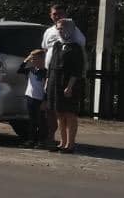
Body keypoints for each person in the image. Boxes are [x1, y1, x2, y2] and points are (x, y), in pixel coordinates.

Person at [47, 18, 86, 153]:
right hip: (55, 82)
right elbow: (51, 64)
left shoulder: (76, 48)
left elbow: (77, 69)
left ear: (70, 29)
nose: (60, 31)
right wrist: (48, 81)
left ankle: (70, 144)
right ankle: (62, 143)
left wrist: (70, 86)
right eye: (58, 29)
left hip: (68, 83)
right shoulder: (57, 45)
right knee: (59, 113)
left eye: (62, 28)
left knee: (69, 114)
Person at [18, 47, 48, 149]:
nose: (32, 61)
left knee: (41, 121)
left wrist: (45, 100)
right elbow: (19, 70)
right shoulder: (31, 70)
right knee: (32, 120)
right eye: (32, 59)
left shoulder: (45, 72)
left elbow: (46, 87)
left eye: (35, 59)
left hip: (40, 99)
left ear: (41, 59)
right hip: (30, 97)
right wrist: (26, 60)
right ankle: (31, 140)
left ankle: (41, 141)